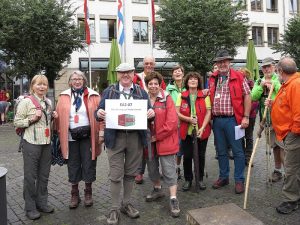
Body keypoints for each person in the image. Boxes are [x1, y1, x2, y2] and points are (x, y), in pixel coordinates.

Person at [95, 63, 155, 225]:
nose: (125, 75)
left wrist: (151, 113)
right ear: (117, 75)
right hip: (115, 137)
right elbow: (97, 112)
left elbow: (150, 112)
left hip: (135, 137)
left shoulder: (141, 92)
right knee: (115, 175)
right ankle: (114, 208)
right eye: (122, 72)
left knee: (130, 173)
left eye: (128, 72)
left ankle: (126, 204)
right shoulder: (109, 91)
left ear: (133, 73)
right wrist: (98, 113)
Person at [55, 71, 102, 209]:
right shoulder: (63, 96)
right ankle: (74, 193)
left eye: (80, 78)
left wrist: (101, 133)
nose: (77, 81)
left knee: (89, 162)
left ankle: (88, 192)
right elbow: (58, 117)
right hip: (70, 137)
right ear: (70, 81)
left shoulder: (93, 95)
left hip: (89, 136)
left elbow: (101, 116)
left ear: (84, 80)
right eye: (74, 79)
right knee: (73, 164)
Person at [13, 75, 58, 220]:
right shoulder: (26, 102)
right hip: (31, 143)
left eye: (44, 84)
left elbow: (47, 121)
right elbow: (17, 122)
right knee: (30, 176)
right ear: (32, 86)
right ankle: (30, 207)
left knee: (44, 176)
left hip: (46, 143)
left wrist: (53, 116)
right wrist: (33, 118)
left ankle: (42, 203)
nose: (42, 87)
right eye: (39, 84)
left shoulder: (48, 102)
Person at [209, 50, 251, 194]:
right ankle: (223, 176)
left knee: (238, 151)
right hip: (217, 121)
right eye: (219, 62)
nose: (222, 64)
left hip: (233, 120)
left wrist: (245, 116)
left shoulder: (239, 76)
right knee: (221, 151)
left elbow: (247, 96)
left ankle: (239, 180)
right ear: (217, 64)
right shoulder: (213, 78)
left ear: (229, 62)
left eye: (224, 61)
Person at [265, 57, 300, 214]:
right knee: (294, 166)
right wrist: (273, 104)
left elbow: (298, 113)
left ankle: (291, 200)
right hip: (289, 132)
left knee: (292, 167)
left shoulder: (295, 85)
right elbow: (286, 105)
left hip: (294, 133)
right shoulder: (289, 84)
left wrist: (293, 132)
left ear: (280, 71)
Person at [144, 71, 180, 217]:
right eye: (150, 83)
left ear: (160, 85)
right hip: (148, 142)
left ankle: (173, 198)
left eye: (155, 83)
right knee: (152, 168)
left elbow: (172, 123)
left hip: (165, 141)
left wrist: (156, 137)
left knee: (169, 170)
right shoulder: (143, 99)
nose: (153, 86)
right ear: (146, 85)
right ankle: (157, 190)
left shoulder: (167, 98)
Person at [133, 55, 166, 184]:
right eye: (146, 63)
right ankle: (139, 172)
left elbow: (162, 92)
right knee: (141, 145)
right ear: (143, 64)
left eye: (151, 63)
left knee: (154, 143)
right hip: (140, 113)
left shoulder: (159, 78)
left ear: (154, 64)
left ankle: (157, 172)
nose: (149, 65)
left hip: (155, 112)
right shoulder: (137, 77)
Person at [176, 72, 212, 191]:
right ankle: (188, 179)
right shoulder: (181, 95)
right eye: (190, 79)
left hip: (202, 131)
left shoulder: (204, 95)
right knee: (187, 156)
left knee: (201, 156)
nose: (193, 80)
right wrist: (188, 119)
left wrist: (202, 127)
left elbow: (208, 112)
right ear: (187, 81)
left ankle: (200, 178)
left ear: (198, 82)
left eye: (195, 79)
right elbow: (177, 112)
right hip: (186, 132)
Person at [251, 57, 284, 182]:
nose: (266, 69)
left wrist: (273, 87)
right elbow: (253, 96)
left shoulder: (280, 79)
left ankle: (291, 175)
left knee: (284, 147)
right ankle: (278, 171)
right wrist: (261, 86)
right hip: (267, 119)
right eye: (264, 67)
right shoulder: (259, 80)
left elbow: (285, 95)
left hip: (281, 119)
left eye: (269, 66)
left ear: (274, 67)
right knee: (274, 146)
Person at [166, 64, 186, 179]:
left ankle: (178, 167)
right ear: (172, 75)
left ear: (183, 73)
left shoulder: (188, 87)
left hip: (185, 122)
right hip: (173, 123)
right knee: (173, 146)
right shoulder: (168, 90)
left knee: (182, 147)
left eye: (179, 71)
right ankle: (173, 168)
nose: (177, 73)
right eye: (175, 72)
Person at [240, 68, 259, 166]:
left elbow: (255, 101)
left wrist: (246, 113)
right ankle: (242, 157)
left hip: (250, 115)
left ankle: (248, 158)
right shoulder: (238, 84)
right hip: (239, 115)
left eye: (243, 74)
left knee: (249, 136)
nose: (241, 75)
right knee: (240, 136)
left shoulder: (252, 85)